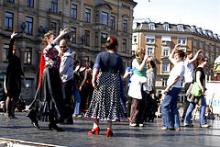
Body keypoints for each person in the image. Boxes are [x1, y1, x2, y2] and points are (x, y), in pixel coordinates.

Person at [28, 29, 69, 131]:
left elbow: (60, 53)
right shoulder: (46, 49)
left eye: (55, 37)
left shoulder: (55, 49)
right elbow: (53, 45)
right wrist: (61, 35)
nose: (55, 38)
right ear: (48, 39)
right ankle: (34, 115)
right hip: (49, 73)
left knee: (53, 98)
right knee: (48, 97)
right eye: (53, 37)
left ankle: (52, 123)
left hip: (54, 74)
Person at [85, 36, 124, 137]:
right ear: (116, 46)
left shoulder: (101, 55)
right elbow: (122, 73)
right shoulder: (118, 58)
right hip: (114, 81)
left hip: (102, 79)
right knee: (111, 103)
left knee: (98, 102)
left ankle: (95, 126)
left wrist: (93, 79)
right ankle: (109, 129)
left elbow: (96, 67)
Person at [161, 44, 185, 131]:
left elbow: (177, 78)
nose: (175, 57)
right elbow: (170, 57)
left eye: (177, 56)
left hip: (173, 87)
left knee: (165, 105)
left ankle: (168, 125)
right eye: (175, 56)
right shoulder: (178, 63)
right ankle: (176, 125)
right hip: (175, 87)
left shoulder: (181, 65)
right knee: (173, 106)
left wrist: (168, 87)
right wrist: (174, 48)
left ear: (181, 57)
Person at [184, 56, 210, 128]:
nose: (206, 62)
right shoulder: (199, 69)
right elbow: (198, 80)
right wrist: (202, 88)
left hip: (196, 90)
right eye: (206, 60)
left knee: (192, 105)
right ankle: (202, 122)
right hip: (198, 90)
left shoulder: (198, 69)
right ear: (201, 61)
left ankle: (187, 121)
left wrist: (204, 87)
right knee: (203, 105)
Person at [5, 32, 24, 119]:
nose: (14, 51)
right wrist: (12, 38)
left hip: (16, 79)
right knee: (9, 96)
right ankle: (8, 113)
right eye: (13, 49)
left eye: (16, 50)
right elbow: (9, 48)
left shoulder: (17, 58)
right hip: (10, 79)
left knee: (16, 97)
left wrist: (22, 74)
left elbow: (19, 69)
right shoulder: (10, 56)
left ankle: (12, 112)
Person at [127, 48, 148, 127]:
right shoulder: (135, 61)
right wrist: (145, 60)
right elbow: (139, 68)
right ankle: (133, 120)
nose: (144, 55)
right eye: (142, 53)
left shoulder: (144, 61)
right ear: (139, 54)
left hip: (143, 82)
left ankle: (140, 120)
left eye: (144, 53)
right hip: (136, 82)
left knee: (142, 103)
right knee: (135, 103)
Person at [181, 50, 202, 122]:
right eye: (191, 54)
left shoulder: (191, 64)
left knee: (190, 101)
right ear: (188, 55)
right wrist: (197, 53)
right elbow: (193, 59)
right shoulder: (186, 62)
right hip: (188, 83)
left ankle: (186, 117)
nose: (192, 56)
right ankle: (185, 117)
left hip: (190, 83)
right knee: (189, 101)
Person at [59, 39, 74, 124]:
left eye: (64, 46)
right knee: (66, 99)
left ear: (67, 46)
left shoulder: (67, 56)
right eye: (61, 46)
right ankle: (67, 118)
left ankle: (67, 118)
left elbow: (62, 70)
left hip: (66, 80)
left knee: (66, 100)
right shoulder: (66, 53)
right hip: (66, 79)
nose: (62, 48)